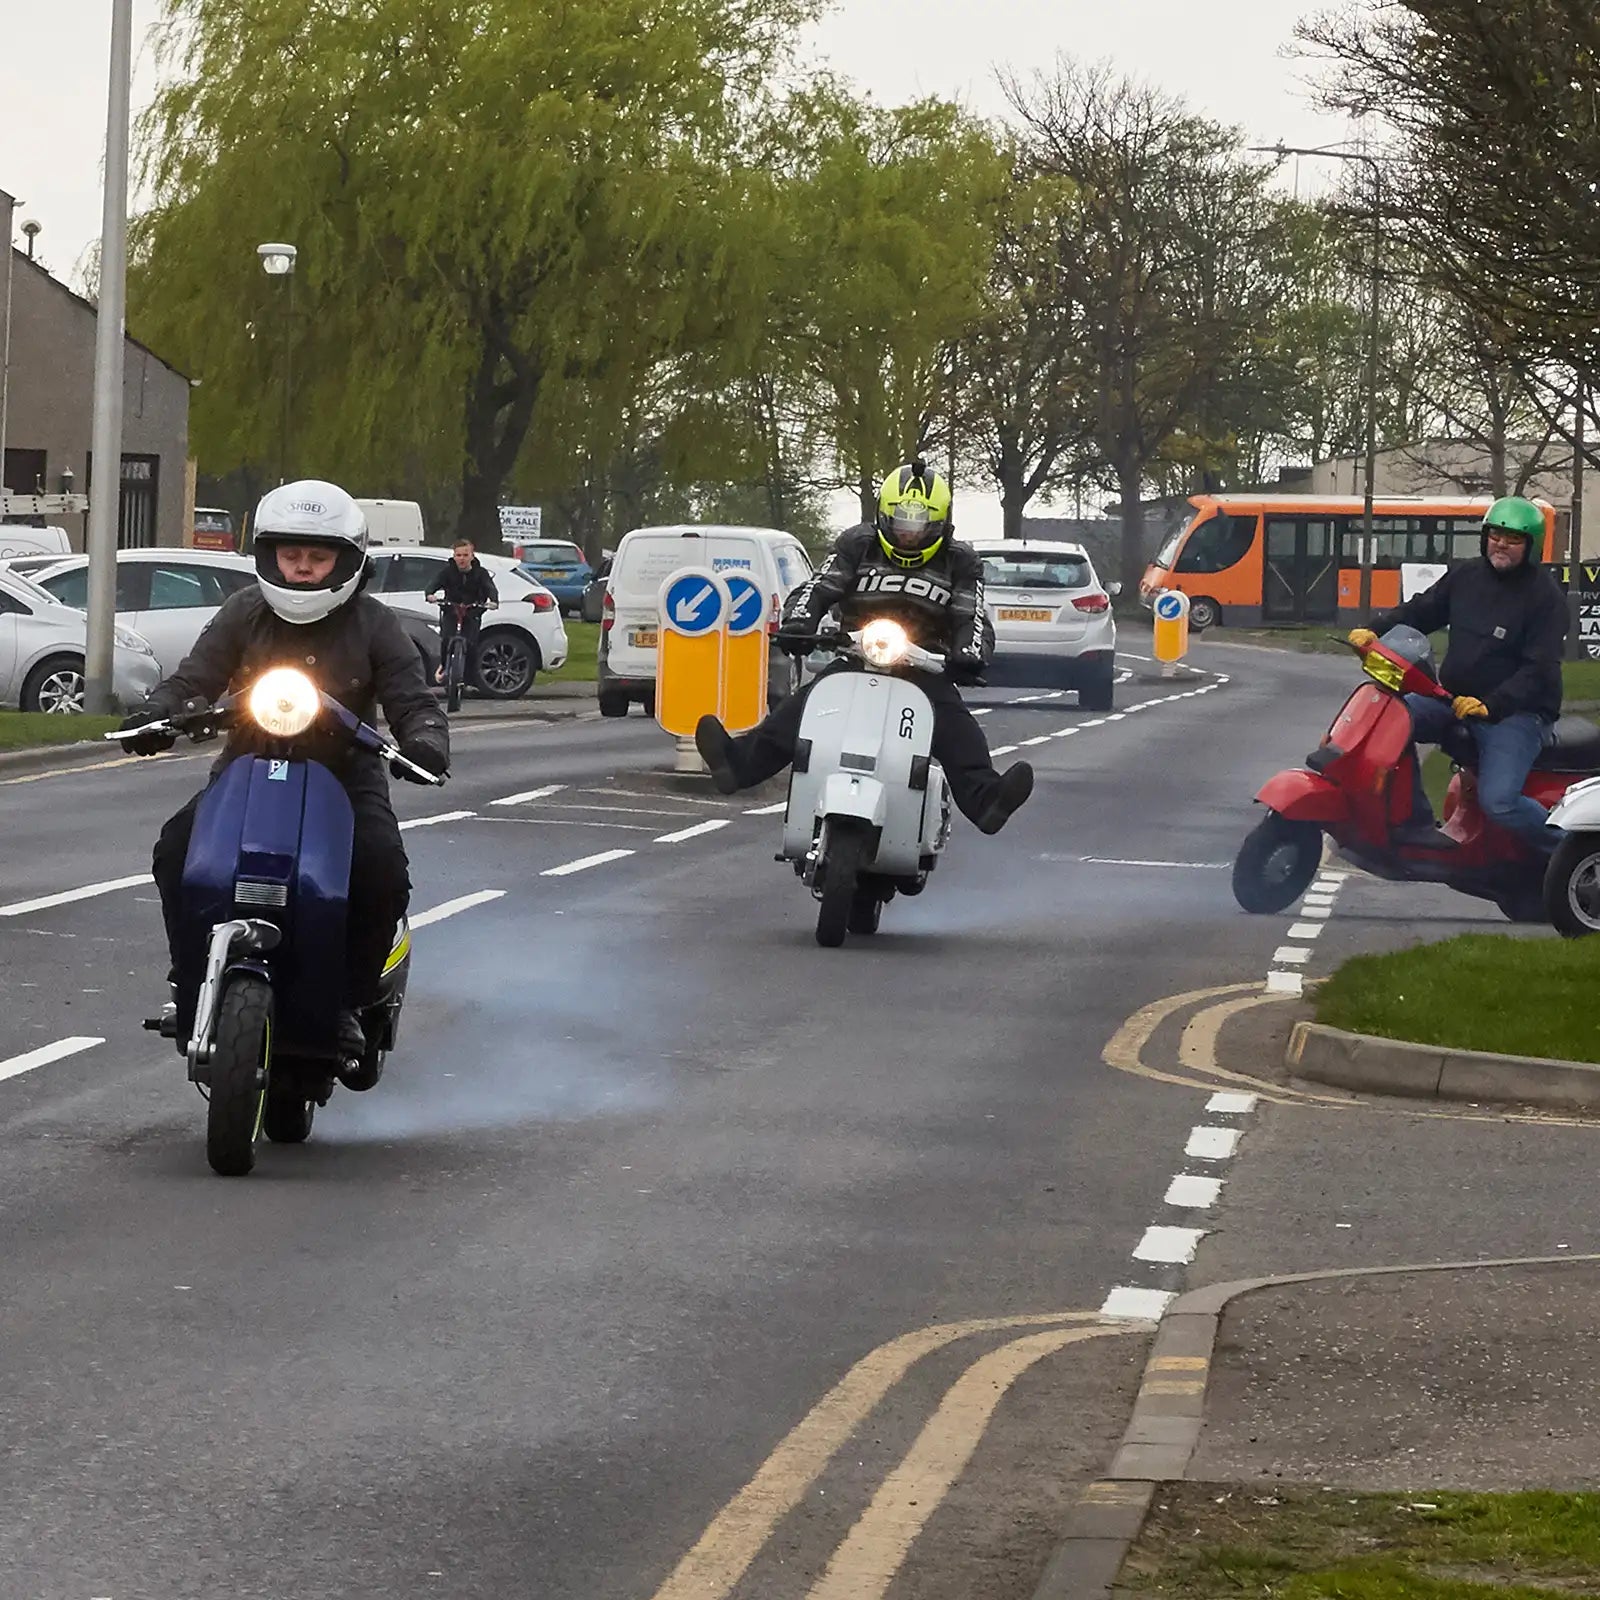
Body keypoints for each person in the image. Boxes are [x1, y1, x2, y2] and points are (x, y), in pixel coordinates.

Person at [121, 481, 449, 1057]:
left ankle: (350, 998)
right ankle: (191, 978)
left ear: (346, 560)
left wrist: (423, 742)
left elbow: (412, 698)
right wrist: (157, 713)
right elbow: (195, 676)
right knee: (177, 851)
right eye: (289, 555)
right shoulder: (243, 611)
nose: (301, 568)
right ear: (268, 555)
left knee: (381, 873)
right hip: (248, 764)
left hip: (346, 775)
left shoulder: (374, 623)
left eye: (317, 556)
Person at [695, 461, 1035, 835]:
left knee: (955, 724)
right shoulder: (858, 543)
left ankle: (986, 799)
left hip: (923, 663)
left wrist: (969, 655)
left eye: (920, 526)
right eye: (901, 523)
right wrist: (799, 623)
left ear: (941, 524)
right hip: (858, 654)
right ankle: (737, 764)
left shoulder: (960, 560)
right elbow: (820, 585)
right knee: (806, 706)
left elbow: (970, 611)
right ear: (883, 516)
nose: (908, 534)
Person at [1351, 494, 1566, 852]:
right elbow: (1423, 610)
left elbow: (1539, 669)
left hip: (1515, 715)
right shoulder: (1467, 575)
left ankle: (1571, 851)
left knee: (1499, 802)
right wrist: (1376, 630)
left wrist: (1490, 705)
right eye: (1496, 535)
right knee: (1389, 722)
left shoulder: (1545, 598)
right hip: (1451, 699)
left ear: (1531, 545)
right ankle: (1415, 822)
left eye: (1513, 539)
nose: (1501, 544)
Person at [426, 538, 498, 684]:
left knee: (471, 645)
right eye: (458, 555)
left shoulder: (481, 573)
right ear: (454, 556)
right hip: (451, 610)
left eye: (465, 555)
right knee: (446, 639)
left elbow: (490, 588)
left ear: (472, 556)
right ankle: (445, 667)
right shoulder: (447, 572)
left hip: (472, 612)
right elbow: (433, 584)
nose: (462, 559)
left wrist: (493, 601)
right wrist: (430, 594)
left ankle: (470, 676)